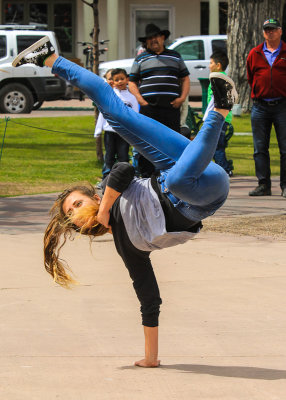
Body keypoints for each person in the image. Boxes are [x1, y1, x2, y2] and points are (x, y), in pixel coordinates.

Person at [12, 36, 238, 368]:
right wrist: (151, 358)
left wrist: (104, 208)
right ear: (79, 227)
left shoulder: (108, 196)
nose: (77, 209)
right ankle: (219, 109)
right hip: (205, 195)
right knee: (176, 181)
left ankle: (49, 58)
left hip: (175, 164)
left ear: (91, 197)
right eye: (73, 213)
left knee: (116, 114)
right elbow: (149, 297)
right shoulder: (126, 246)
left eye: (76, 202)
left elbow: (123, 168)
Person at [128, 23, 190, 177]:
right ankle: (147, 175)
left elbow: (185, 78)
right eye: (150, 38)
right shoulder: (141, 58)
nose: (153, 40)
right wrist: (141, 100)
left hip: (171, 107)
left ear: (163, 37)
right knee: (147, 142)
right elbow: (132, 82)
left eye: (156, 36)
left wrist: (181, 98)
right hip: (149, 108)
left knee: (172, 142)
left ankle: (172, 175)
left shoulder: (175, 56)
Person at [247, 18, 286, 197]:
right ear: (263, 33)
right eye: (267, 30)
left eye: (273, 29)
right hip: (260, 107)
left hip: (282, 106)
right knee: (260, 148)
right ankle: (263, 185)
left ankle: (285, 185)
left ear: (280, 31)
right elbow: (250, 77)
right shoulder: (254, 53)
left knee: (285, 148)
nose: (270, 32)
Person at [94, 68, 139, 186]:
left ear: (127, 79)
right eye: (116, 80)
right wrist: (98, 130)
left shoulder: (131, 98)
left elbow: (135, 115)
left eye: (122, 79)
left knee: (123, 156)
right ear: (112, 82)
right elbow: (102, 113)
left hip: (124, 133)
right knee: (109, 156)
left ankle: (124, 180)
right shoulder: (109, 95)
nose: (120, 82)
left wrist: (135, 130)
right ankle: (106, 179)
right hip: (110, 132)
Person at [204, 51, 234, 176]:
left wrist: (208, 116)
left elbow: (214, 100)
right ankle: (225, 167)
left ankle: (224, 170)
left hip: (218, 117)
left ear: (218, 65)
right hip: (224, 117)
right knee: (217, 145)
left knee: (216, 146)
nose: (209, 65)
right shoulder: (225, 78)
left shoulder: (217, 79)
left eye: (211, 63)